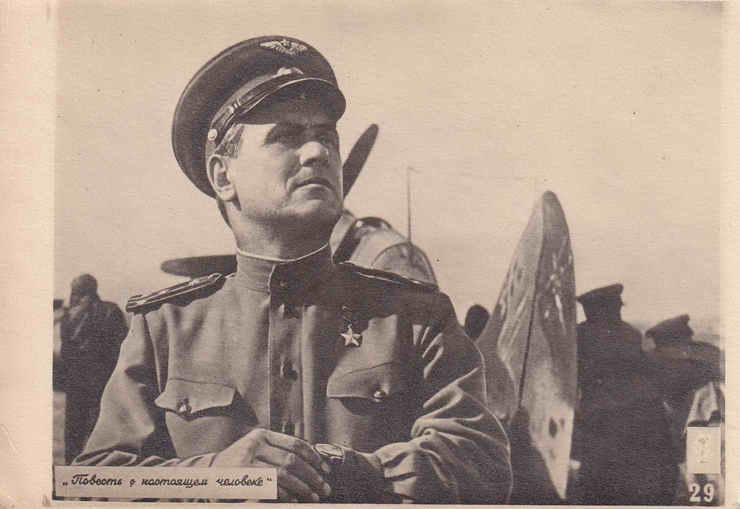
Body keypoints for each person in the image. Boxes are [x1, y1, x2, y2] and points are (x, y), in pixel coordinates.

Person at [74, 36, 512, 504]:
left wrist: (346, 470)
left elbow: (483, 467)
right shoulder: (165, 329)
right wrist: (218, 478)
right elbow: (92, 483)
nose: (318, 152)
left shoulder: (417, 319)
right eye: (285, 136)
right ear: (223, 176)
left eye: (327, 136)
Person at [569, 284, 675, 505]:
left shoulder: (579, 335)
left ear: (590, 309)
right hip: (637, 417)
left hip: (598, 418)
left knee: (598, 483)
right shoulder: (632, 334)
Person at [645, 315, 724, 505]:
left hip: (698, 427)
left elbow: (704, 477)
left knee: (703, 486)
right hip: (684, 430)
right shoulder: (702, 363)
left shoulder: (703, 399)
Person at [60, 274, 128, 465]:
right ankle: (91, 468)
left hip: (79, 380)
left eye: (75, 291)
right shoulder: (111, 310)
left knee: (75, 430)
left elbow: (65, 352)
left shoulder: (70, 315)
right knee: (96, 430)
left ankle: (72, 469)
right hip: (100, 380)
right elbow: (122, 346)